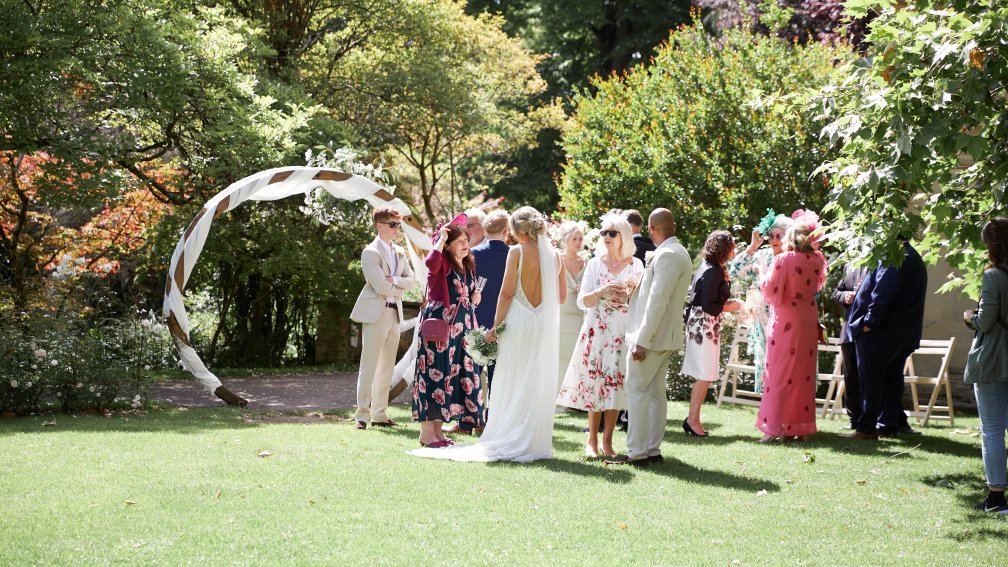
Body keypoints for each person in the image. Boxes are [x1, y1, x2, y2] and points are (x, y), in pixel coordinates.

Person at [410, 206, 566, 462]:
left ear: (515, 230)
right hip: (541, 326)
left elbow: (506, 293)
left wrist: (496, 325)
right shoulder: (555, 257)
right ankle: (532, 438)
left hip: (519, 321)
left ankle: (507, 432)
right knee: (534, 379)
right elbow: (560, 297)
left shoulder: (516, 252)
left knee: (511, 378)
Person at [607, 209, 692, 467]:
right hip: (664, 337)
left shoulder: (667, 255)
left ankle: (637, 452)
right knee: (654, 393)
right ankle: (652, 450)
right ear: (673, 226)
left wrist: (642, 340)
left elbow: (658, 302)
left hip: (652, 338)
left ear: (653, 229)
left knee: (638, 392)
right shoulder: (681, 253)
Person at [557, 213, 644, 458]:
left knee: (615, 384)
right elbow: (582, 300)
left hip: (622, 330)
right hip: (597, 328)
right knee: (594, 383)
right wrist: (603, 290)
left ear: (623, 236)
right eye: (604, 232)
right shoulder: (595, 264)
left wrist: (627, 294)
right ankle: (591, 441)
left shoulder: (636, 265)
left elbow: (639, 301)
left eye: (611, 233)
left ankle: (608, 442)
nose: (606, 237)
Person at [845, 234, 927, 440]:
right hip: (901, 334)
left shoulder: (893, 256)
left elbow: (882, 293)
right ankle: (888, 425)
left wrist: (868, 323)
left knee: (871, 380)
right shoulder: (913, 255)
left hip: (882, 332)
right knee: (892, 380)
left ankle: (866, 428)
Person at [412, 218, 484, 447]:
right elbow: (430, 262)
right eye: (459, 241)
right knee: (433, 376)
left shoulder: (467, 267)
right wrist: (441, 238)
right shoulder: (441, 262)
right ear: (448, 245)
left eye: (466, 241)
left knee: (448, 380)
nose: (465, 245)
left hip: (459, 336)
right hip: (438, 333)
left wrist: (475, 299)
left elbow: (465, 300)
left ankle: (439, 431)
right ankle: (426, 433)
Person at [755, 215, 827, 442]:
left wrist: (761, 273)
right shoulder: (817, 259)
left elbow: (770, 292)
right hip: (807, 318)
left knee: (779, 372)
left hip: (787, 320)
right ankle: (798, 428)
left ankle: (774, 427)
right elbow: (818, 285)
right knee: (802, 374)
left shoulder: (783, 260)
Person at [349, 206, 418, 430]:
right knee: (369, 365)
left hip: (394, 312)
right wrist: (397, 285)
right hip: (376, 313)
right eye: (393, 224)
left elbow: (413, 281)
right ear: (380, 226)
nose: (397, 228)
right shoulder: (370, 252)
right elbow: (379, 285)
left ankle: (379, 414)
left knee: (387, 366)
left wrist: (395, 281)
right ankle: (361, 415)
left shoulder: (398, 251)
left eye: (398, 224)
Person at [448, 209, 509, 435]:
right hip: (503, 325)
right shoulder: (514, 255)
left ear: (485, 229)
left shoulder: (472, 255)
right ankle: (493, 423)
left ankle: (467, 423)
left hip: (474, 323)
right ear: (507, 230)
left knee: (470, 376)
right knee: (497, 377)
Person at [963, 218, 1008, 514]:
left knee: (992, 430)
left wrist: (970, 317)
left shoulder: (994, 276)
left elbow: (986, 321)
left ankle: (995, 498)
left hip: (995, 358)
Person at [681, 230, 743, 437]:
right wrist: (730, 307)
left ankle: (693, 418)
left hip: (703, 324)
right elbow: (708, 304)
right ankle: (692, 420)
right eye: (732, 245)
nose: (734, 248)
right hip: (703, 326)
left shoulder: (711, 268)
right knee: (704, 373)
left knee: (704, 373)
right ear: (725, 249)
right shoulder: (712, 270)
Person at [728, 210, 793, 393]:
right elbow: (736, 270)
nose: (774, 239)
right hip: (762, 323)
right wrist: (752, 246)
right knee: (766, 370)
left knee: (784, 369)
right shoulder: (763, 255)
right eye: (771, 235)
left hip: (786, 321)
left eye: (779, 235)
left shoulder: (793, 259)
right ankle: (768, 415)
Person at [832, 263, 869, 428]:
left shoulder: (879, 264)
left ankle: (868, 419)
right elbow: (836, 291)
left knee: (867, 377)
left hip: (869, 328)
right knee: (850, 375)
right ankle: (854, 419)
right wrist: (845, 296)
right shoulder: (849, 265)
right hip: (849, 330)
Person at [557, 221, 587, 394]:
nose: (578, 242)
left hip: (578, 316)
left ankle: (573, 395)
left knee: (575, 357)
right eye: (574, 238)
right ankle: (557, 396)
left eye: (580, 239)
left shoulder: (587, 262)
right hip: (560, 315)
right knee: (559, 357)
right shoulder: (557, 259)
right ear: (566, 239)